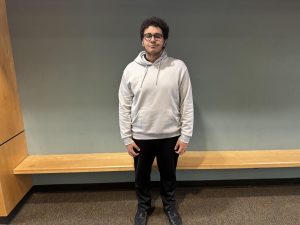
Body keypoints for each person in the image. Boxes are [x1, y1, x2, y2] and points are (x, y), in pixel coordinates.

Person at [118, 17, 194, 225]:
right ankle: (143, 207)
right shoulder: (130, 70)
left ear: (164, 40)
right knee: (141, 177)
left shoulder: (178, 67)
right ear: (142, 40)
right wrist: (127, 138)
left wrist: (185, 135)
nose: (153, 39)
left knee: (169, 176)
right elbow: (124, 107)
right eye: (148, 36)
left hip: (170, 135)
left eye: (157, 36)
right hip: (140, 136)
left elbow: (186, 103)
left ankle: (169, 205)